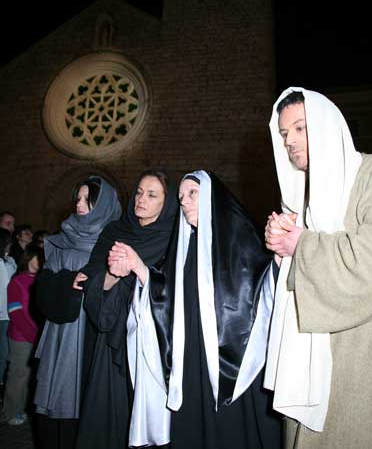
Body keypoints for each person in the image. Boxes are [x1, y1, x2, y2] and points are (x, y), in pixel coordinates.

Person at [264, 87, 372, 449]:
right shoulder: (301, 195)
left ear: (325, 126)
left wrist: (300, 244)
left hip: (363, 361)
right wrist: (281, 251)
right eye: (283, 134)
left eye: (299, 128)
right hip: (306, 363)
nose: (289, 140)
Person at [109, 171, 281, 449]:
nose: (185, 201)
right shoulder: (183, 252)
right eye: (181, 197)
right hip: (192, 361)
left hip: (232, 363)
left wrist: (279, 257)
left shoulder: (241, 244)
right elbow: (165, 296)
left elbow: (265, 283)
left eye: (192, 194)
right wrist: (139, 267)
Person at [74, 169, 178, 449]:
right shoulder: (115, 231)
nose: (141, 199)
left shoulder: (175, 238)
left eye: (152, 195)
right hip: (110, 340)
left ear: (166, 203)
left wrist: (137, 270)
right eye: (139, 193)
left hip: (150, 345)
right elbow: (90, 278)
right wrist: (114, 274)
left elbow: (176, 291)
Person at [34, 176, 121, 449]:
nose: (80, 205)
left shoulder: (115, 243)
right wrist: (66, 282)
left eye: (88, 200)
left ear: (103, 205)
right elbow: (42, 287)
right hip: (62, 337)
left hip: (95, 337)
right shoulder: (61, 242)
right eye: (79, 199)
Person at [3, 243, 44, 425]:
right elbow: (15, 312)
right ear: (29, 258)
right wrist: (32, 334)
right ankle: (11, 412)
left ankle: (22, 409)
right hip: (21, 337)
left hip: (36, 336)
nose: (42, 261)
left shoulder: (41, 279)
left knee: (28, 376)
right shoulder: (17, 281)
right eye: (39, 257)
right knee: (18, 376)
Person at [0, 228, 17, 402]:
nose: (10, 244)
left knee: (5, 355)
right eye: (8, 240)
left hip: (8, 314)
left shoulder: (10, 261)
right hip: (1, 314)